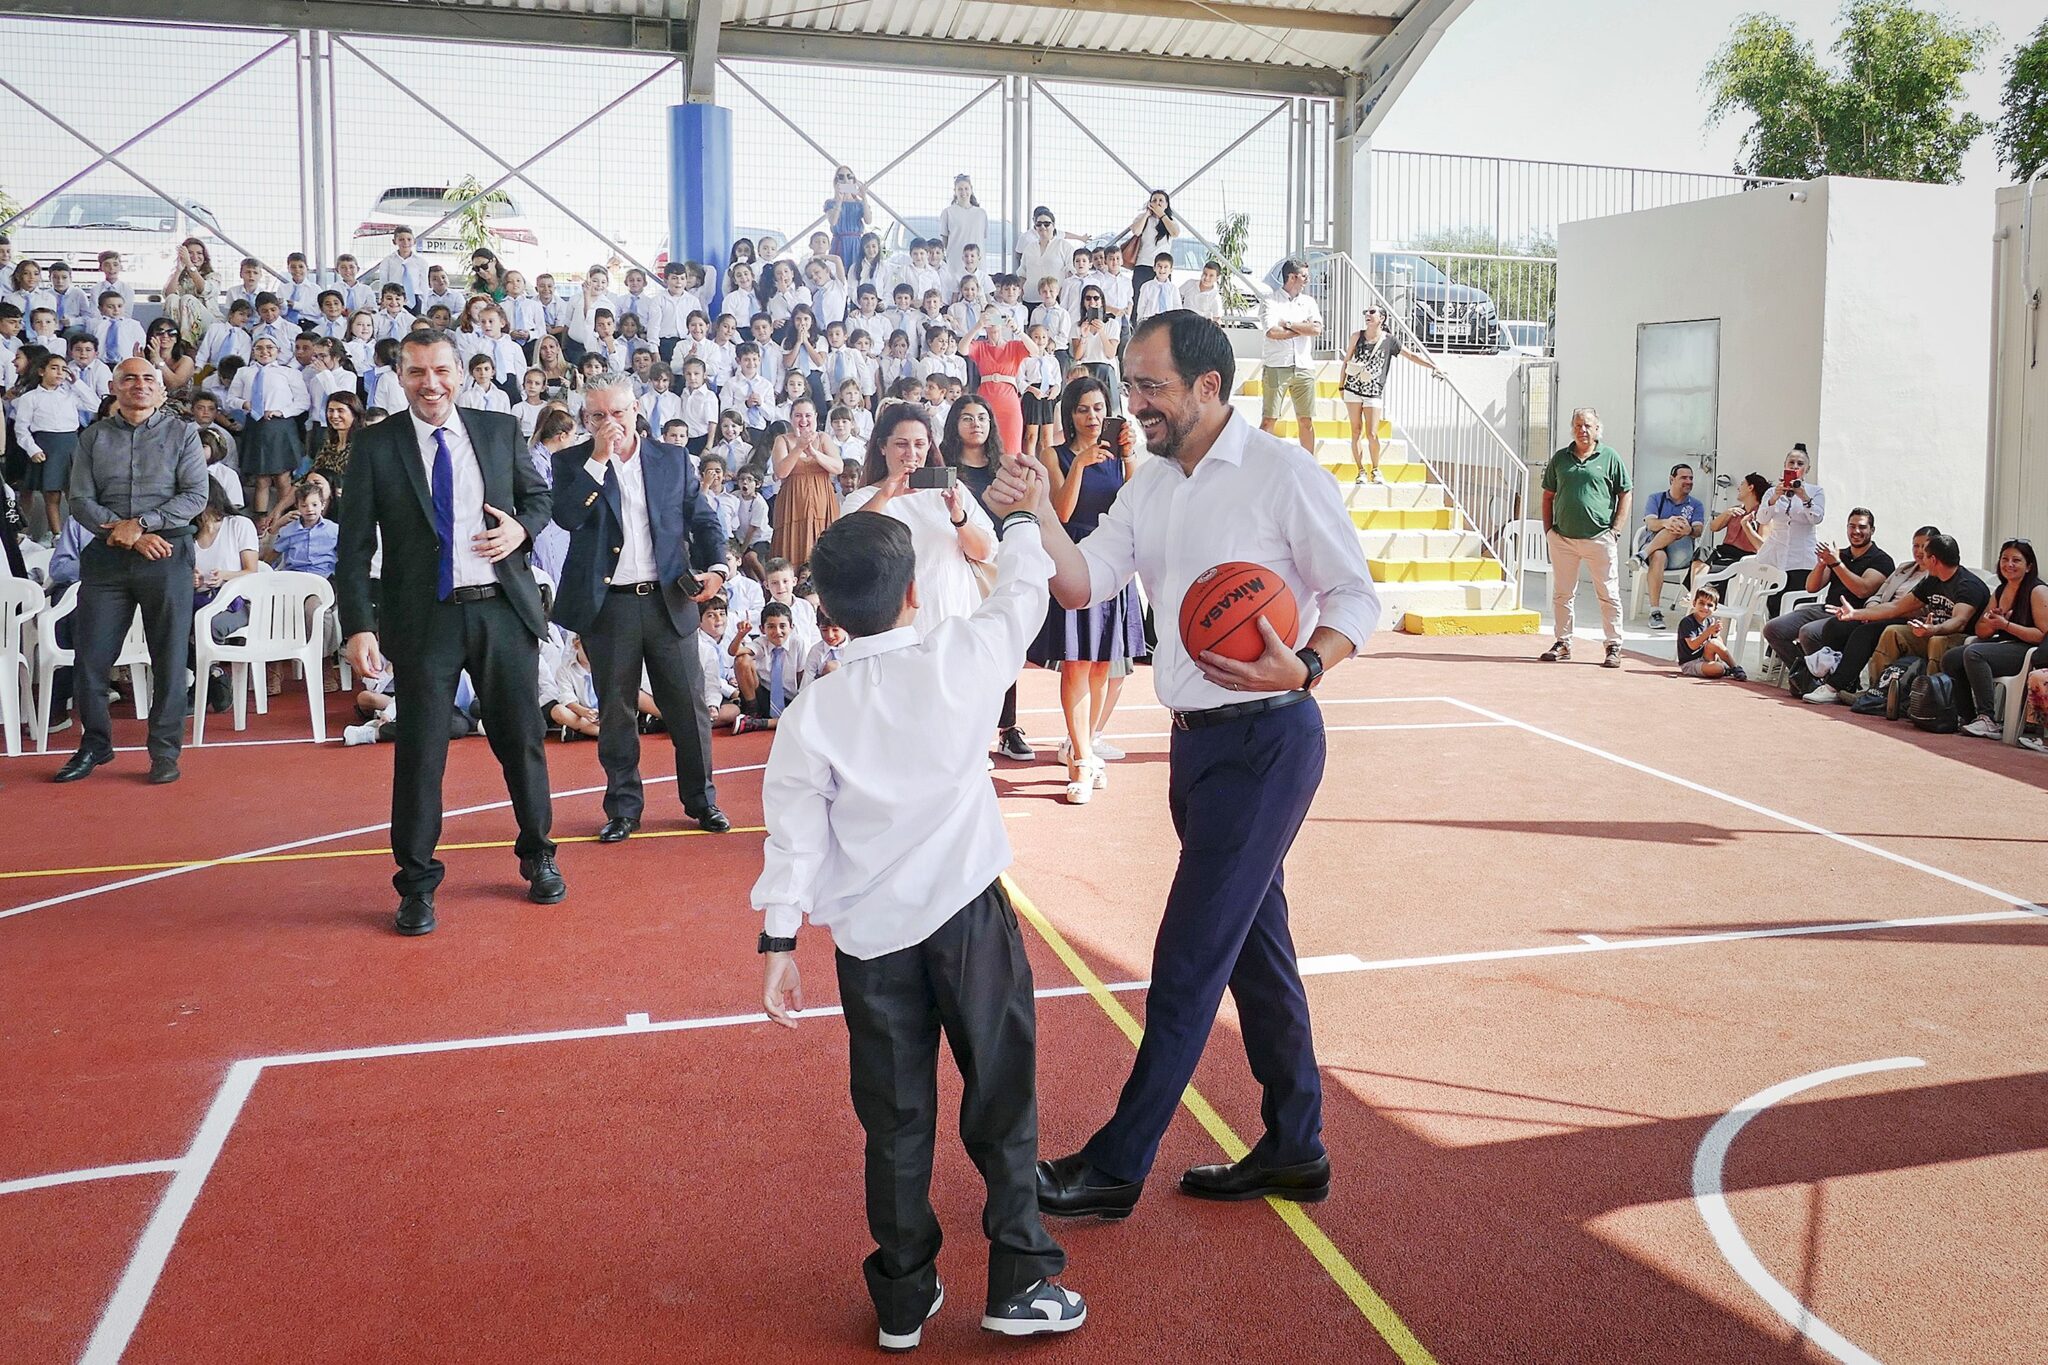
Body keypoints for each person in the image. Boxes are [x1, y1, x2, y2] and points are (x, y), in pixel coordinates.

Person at [1010, 313, 1380, 1219]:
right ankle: (1296, 1146)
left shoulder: (1281, 475)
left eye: (1151, 388)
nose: (1134, 405)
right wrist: (1029, 513)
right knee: (1258, 952)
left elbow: (1356, 594)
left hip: (1270, 736)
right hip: (1195, 745)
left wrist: (1311, 663)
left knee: (1188, 955)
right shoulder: (1150, 487)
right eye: (1131, 387)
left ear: (1209, 386)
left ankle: (1116, 1163)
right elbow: (1083, 581)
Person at [753, 495, 1085, 1350]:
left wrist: (781, 941)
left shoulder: (810, 715)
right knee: (1002, 1098)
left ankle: (903, 1293)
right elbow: (1026, 594)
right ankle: (1019, 1276)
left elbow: (793, 837)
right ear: (913, 594)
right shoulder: (960, 655)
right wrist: (1014, 521)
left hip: (870, 945)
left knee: (895, 1120)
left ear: (826, 611)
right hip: (970, 918)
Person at [337, 329, 562, 937]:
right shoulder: (377, 446)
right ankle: (415, 885)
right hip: (423, 619)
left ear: (459, 374)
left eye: (440, 371)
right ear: (400, 377)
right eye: (416, 373)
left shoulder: (496, 430)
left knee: (522, 741)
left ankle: (539, 853)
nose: (429, 384)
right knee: (420, 755)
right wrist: (357, 624)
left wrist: (520, 531)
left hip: (501, 610)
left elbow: (540, 499)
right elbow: (353, 545)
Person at [548, 377, 732, 843]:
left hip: (670, 600)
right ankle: (623, 808)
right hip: (608, 607)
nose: (610, 423)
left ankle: (702, 801)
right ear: (586, 420)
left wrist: (717, 569)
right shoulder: (572, 462)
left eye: (618, 413)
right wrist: (598, 461)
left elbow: (703, 519)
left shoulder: (672, 459)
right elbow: (566, 516)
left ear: (636, 411)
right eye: (597, 416)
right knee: (616, 712)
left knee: (688, 709)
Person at [55, 360, 208, 786]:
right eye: (130, 378)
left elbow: (196, 495)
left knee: (170, 659)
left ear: (161, 390)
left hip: (166, 553)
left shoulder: (183, 433)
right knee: (91, 658)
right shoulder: (93, 436)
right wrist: (128, 535)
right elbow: (80, 499)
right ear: (113, 387)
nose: (139, 385)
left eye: (148, 379)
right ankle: (96, 745)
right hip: (107, 557)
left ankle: (163, 752)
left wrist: (143, 525)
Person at [1026, 374, 1143, 803]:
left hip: (1115, 562)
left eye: (1098, 408)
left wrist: (1129, 456)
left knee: (1101, 667)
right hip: (1075, 560)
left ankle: (1086, 745)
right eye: (1082, 409)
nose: (1092, 417)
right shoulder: (1054, 454)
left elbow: (1137, 503)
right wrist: (1079, 465)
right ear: (1070, 416)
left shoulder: (1121, 452)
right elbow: (1059, 510)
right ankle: (1080, 757)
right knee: (1075, 663)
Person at [842, 404, 996, 635]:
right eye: (901, 444)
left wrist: (959, 517)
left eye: (919, 444)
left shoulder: (950, 490)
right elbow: (850, 549)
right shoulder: (861, 499)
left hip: (959, 623)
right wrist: (886, 493)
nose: (911, 454)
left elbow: (985, 552)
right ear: (883, 447)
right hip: (901, 632)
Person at [944, 394, 1033, 763]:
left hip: (999, 565)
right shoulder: (944, 468)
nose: (976, 424)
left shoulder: (1005, 466)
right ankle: (964, 728)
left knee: (1004, 644)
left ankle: (1007, 727)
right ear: (954, 425)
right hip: (957, 566)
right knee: (964, 650)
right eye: (967, 418)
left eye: (982, 417)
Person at [1830, 533, 1986, 698]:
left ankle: (1928, 699)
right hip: (1931, 632)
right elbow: (1897, 607)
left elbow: (1960, 622)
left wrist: (1933, 629)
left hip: (1961, 640)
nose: (1922, 560)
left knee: (1937, 641)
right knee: (1893, 632)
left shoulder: (1968, 585)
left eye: (1925, 556)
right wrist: (1855, 613)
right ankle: (1877, 693)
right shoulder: (1933, 581)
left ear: (1933, 560)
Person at [1762, 506, 1891, 695]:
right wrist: (1822, 564)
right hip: (1825, 609)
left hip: (1853, 615)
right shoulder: (1840, 554)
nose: (1856, 531)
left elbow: (1862, 589)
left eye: (1862, 527)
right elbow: (1812, 587)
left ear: (1872, 530)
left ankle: (1829, 682)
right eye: (1851, 526)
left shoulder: (1881, 560)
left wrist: (1836, 563)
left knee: (1808, 633)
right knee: (1773, 629)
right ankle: (1807, 677)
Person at [1538, 407, 1631, 668]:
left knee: (1608, 593)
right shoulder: (1560, 459)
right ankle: (1563, 642)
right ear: (1572, 429)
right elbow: (1547, 495)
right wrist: (1549, 531)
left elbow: (1625, 493)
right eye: (1578, 425)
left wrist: (1616, 530)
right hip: (1563, 538)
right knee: (1563, 593)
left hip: (1600, 537)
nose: (1583, 430)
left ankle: (1613, 645)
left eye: (1588, 425)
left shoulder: (1610, 457)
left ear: (1597, 428)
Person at [1945, 539, 2046, 738]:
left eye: (2016, 560)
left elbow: (2042, 635)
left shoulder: (2038, 591)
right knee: (1952, 658)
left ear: (2029, 566)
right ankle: (1966, 716)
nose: (2009, 564)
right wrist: (1992, 622)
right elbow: (1981, 631)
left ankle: (1987, 718)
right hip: (2005, 644)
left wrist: (2006, 625)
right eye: (2004, 559)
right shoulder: (2001, 590)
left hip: (2028, 650)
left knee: (1974, 653)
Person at [1338, 304, 1438, 485]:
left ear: (1382, 318)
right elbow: (1346, 361)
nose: (1367, 315)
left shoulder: (1389, 341)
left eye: (1372, 312)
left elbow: (1410, 355)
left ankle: (1375, 469)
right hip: (1353, 388)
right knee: (1355, 431)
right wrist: (1341, 386)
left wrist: (1432, 366)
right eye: (1366, 312)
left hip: (1373, 391)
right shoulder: (1357, 336)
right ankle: (1360, 470)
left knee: (1372, 433)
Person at [769, 395, 839, 568]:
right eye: (798, 415)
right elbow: (781, 472)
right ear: (791, 418)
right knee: (792, 550)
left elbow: (838, 468)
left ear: (815, 417)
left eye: (808, 415)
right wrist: (799, 447)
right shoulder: (782, 440)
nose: (803, 420)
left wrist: (815, 453)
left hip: (823, 503)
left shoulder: (823, 438)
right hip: (792, 504)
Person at [1754, 442, 1824, 617]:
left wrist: (1804, 497)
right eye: (1791, 463)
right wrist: (1775, 498)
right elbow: (1761, 518)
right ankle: (1773, 642)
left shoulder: (1815, 491)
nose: (1795, 466)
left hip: (1802, 557)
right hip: (1775, 556)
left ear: (1807, 469)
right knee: (1774, 604)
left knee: (1799, 607)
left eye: (1800, 464)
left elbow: (1817, 518)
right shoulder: (1772, 492)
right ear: (1785, 466)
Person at [1259, 260, 1321, 455]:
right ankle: (1259, 463)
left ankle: (1309, 465)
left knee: (1306, 420)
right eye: (1303, 276)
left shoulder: (1309, 302)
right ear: (1292, 277)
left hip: (1303, 366)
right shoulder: (1271, 300)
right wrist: (1302, 328)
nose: (1307, 280)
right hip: (1277, 365)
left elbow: (1317, 329)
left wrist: (1289, 324)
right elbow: (1273, 332)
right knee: (1270, 419)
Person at [1636, 463, 1706, 629]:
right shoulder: (1656, 498)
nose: (1688, 481)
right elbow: (1651, 524)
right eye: (1684, 478)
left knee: (1677, 525)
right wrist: (1666, 522)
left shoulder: (1696, 504)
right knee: (1659, 553)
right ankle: (1655, 612)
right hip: (1657, 554)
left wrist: (1686, 528)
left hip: (1680, 554)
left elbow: (1698, 530)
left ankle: (1642, 554)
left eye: (1691, 478)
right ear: (1671, 479)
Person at [1693, 473, 1769, 585]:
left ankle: (1697, 593)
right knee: (1703, 552)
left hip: (1742, 557)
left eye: (1742, 484)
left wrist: (1747, 527)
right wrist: (1726, 513)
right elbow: (1713, 527)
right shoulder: (1736, 510)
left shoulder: (1763, 515)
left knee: (1710, 569)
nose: (1738, 488)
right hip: (1724, 551)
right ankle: (1694, 593)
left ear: (1750, 488)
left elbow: (1761, 547)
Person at [1676, 586, 1745, 680]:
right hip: (1690, 663)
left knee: (1714, 642)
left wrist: (1716, 634)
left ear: (1715, 609)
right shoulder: (1687, 622)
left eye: (1710, 605)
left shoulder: (1710, 621)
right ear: (1694, 603)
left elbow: (1719, 645)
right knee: (1718, 669)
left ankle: (1735, 667)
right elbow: (1692, 645)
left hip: (1705, 657)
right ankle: (1725, 670)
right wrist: (1708, 632)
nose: (1705, 608)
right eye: (1701, 603)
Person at [939, 174, 988, 275]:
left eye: (966, 188)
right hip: (955, 264)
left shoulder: (981, 213)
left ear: (971, 189)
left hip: (976, 265)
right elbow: (945, 240)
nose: (963, 192)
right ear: (955, 191)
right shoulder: (948, 212)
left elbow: (982, 238)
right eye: (960, 189)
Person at [825, 167, 869, 270]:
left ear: (853, 180)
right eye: (841, 177)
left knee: (856, 273)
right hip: (839, 242)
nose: (845, 180)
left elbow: (868, 220)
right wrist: (839, 200)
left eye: (849, 176)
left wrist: (864, 197)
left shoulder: (859, 204)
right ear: (836, 181)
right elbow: (833, 222)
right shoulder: (830, 203)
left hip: (856, 243)